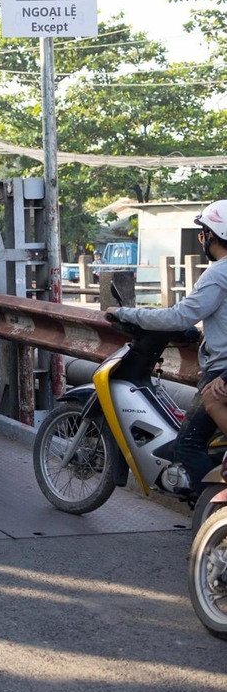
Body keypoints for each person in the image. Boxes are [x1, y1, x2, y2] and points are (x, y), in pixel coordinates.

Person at [108, 199, 227, 497]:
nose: (202, 239)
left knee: (188, 445)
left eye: (203, 234)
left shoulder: (218, 274)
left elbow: (179, 315)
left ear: (212, 235)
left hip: (222, 372)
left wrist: (126, 313)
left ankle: (209, 519)